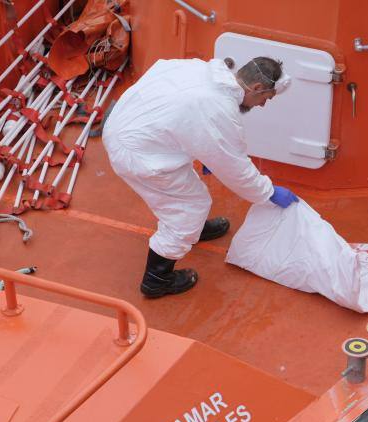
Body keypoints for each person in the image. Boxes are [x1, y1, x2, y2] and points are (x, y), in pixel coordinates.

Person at [102, 56, 299, 298]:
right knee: (189, 207)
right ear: (257, 88)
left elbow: (178, 108)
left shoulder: (199, 68)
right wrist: (268, 192)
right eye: (265, 99)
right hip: (139, 153)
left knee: (189, 190)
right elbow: (235, 168)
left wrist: (207, 151)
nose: (262, 105)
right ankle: (157, 279)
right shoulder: (218, 109)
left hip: (130, 127)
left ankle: (192, 229)